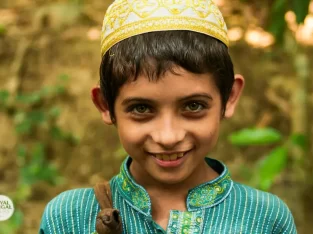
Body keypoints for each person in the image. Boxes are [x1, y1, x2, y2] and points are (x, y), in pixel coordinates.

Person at [39, 0, 297, 233]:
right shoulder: (68, 218)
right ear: (105, 105)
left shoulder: (265, 219)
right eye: (141, 109)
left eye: (194, 106)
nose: (168, 136)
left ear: (229, 98)